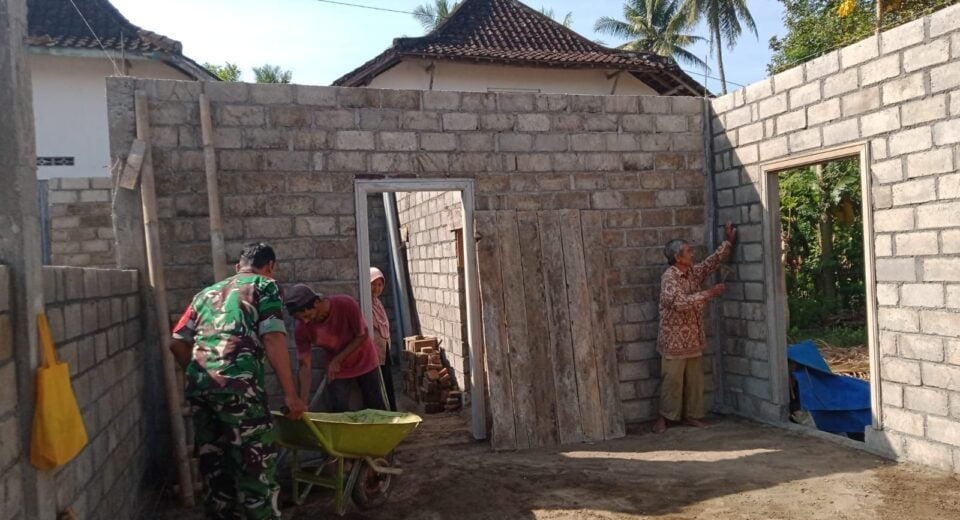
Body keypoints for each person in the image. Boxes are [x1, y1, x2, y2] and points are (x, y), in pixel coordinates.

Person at [169, 242, 306, 520]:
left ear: (236, 268)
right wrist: (291, 395)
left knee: (216, 471)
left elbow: (176, 342)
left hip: (201, 391)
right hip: (240, 392)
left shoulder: (204, 295)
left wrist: (203, 375)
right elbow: (272, 337)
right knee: (256, 470)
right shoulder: (266, 286)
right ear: (270, 267)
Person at [653, 222, 736, 434]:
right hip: (673, 341)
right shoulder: (669, 278)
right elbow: (680, 303)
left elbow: (711, 263)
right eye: (688, 252)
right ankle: (664, 418)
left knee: (695, 381)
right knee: (671, 381)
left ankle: (692, 416)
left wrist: (728, 242)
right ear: (677, 258)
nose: (692, 255)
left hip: (692, 339)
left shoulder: (691, 273)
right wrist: (709, 293)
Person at [283, 284, 387, 412]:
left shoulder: (345, 304)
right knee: (338, 409)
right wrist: (303, 401)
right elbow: (305, 366)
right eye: (300, 319)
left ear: (316, 302)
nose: (305, 322)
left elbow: (362, 335)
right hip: (338, 370)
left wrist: (337, 360)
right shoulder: (301, 330)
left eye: (307, 316)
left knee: (375, 405)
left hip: (365, 360)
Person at [371, 267, 398, 411]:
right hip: (374, 352)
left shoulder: (377, 303)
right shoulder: (367, 304)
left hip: (384, 351)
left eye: (380, 285)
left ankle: (391, 410)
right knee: (378, 384)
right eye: (373, 284)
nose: (377, 288)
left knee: (388, 381)